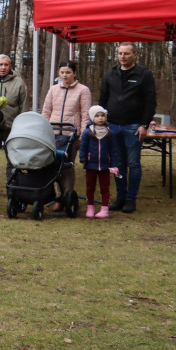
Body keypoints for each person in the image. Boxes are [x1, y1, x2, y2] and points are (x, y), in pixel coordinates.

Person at [98, 42, 157, 213]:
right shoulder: (111, 73)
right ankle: (120, 197)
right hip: (113, 125)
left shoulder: (143, 74)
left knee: (134, 164)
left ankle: (131, 199)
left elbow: (150, 101)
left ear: (135, 55)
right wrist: (101, 121)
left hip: (133, 127)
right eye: (120, 53)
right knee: (118, 164)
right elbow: (103, 99)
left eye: (126, 53)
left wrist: (144, 125)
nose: (122, 56)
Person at [41, 60, 92, 207]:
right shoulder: (53, 90)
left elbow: (85, 114)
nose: (65, 75)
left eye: (68, 72)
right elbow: (46, 111)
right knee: (54, 165)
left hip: (71, 134)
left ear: (74, 73)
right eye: (62, 72)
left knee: (67, 166)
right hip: (53, 133)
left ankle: (68, 195)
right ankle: (59, 197)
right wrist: (44, 130)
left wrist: (82, 135)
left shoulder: (83, 90)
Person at [0, 54, 28, 196]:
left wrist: (22, 125)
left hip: (12, 127)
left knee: (12, 158)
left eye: (6, 65)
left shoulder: (19, 82)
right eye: (0, 64)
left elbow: (24, 105)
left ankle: (12, 183)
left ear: (10, 66)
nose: (3, 67)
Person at [80, 105, 119, 219]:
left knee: (105, 188)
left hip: (105, 165)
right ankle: (90, 207)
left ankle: (105, 209)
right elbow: (83, 147)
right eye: (97, 116)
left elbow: (114, 150)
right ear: (92, 117)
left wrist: (114, 164)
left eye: (102, 115)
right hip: (90, 164)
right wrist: (83, 158)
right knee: (90, 187)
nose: (100, 118)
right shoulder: (88, 132)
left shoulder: (109, 133)